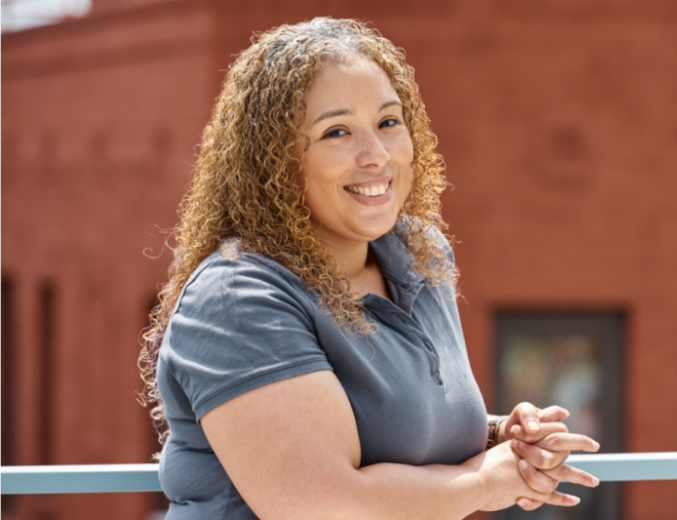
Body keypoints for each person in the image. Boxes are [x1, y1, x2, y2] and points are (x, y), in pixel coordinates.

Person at [138, 17, 600, 520]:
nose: (376, 156)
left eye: (388, 122)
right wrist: (489, 480)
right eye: (336, 131)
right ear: (274, 163)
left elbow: (393, 424)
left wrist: (499, 435)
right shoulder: (236, 297)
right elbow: (324, 506)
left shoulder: (418, 254)